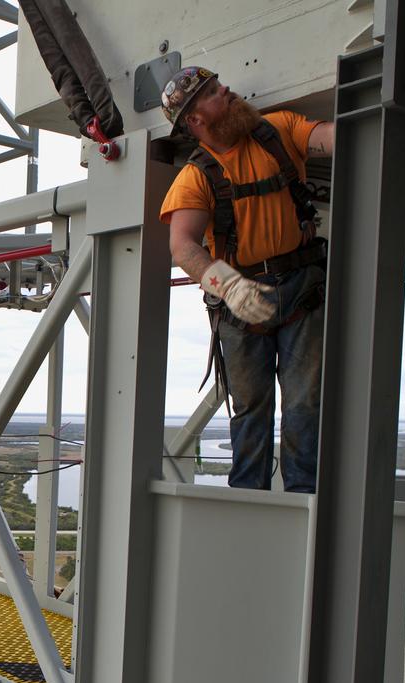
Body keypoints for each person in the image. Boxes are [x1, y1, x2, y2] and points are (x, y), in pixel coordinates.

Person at [158, 66, 335, 493]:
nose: (228, 91)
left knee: (306, 402)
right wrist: (227, 285)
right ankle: (248, 497)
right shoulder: (197, 177)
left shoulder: (277, 131)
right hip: (242, 303)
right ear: (197, 120)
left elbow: (327, 138)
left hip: (301, 289)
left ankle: (303, 498)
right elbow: (182, 246)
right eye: (215, 93)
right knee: (251, 407)